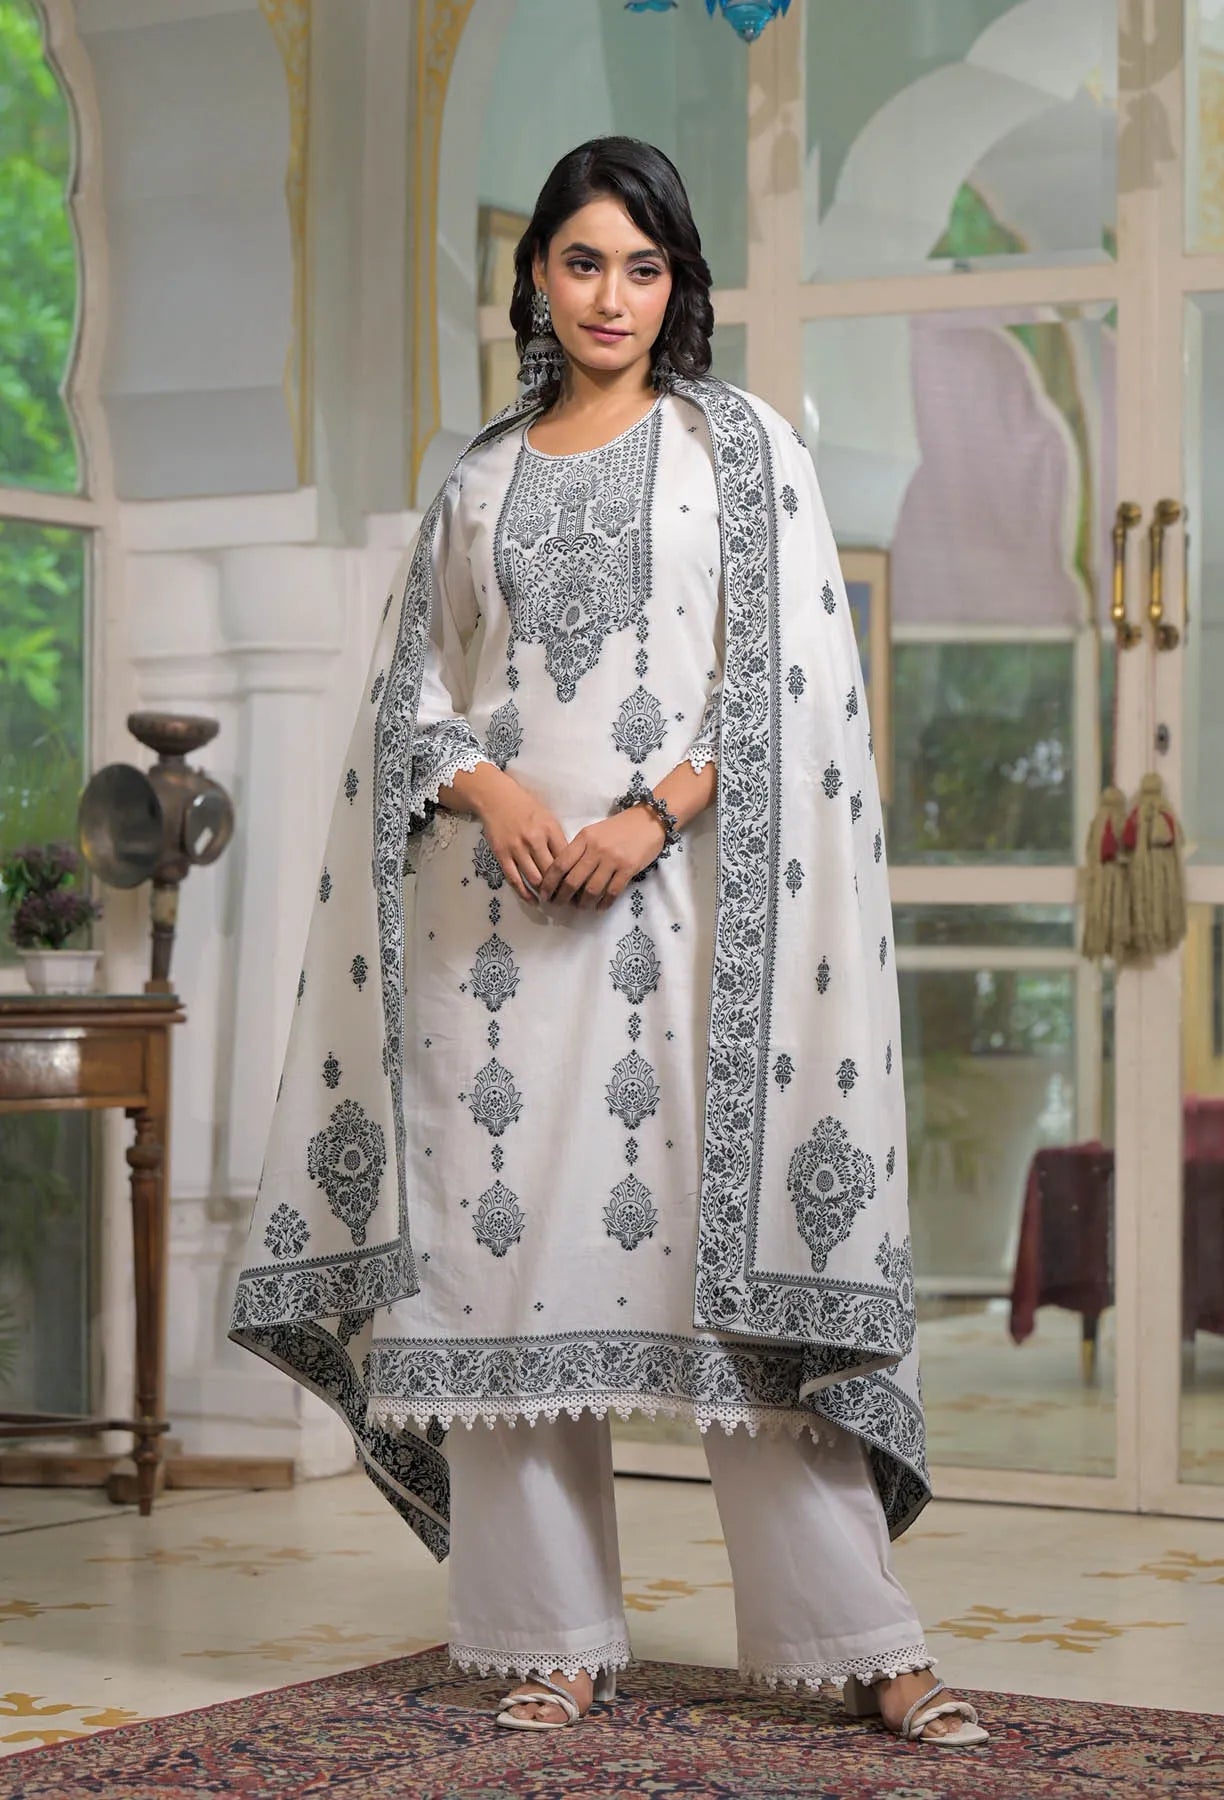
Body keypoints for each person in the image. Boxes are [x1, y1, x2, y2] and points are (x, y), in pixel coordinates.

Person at [230, 136, 987, 1749]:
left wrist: (651, 815)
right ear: (535, 281)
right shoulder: (481, 478)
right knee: (498, 1290)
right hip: (488, 945)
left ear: (678, 284)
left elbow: (783, 683)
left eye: (642, 268)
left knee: (736, 1301)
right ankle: (546, 1638)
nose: (611, 297)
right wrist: (493, 792)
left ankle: (865, 1638)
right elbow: (409, 701)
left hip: (692, 931)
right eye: (582, 262)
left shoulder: (744, 451)